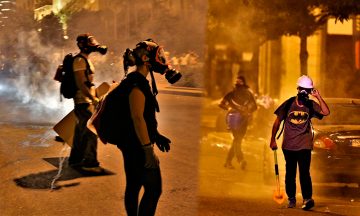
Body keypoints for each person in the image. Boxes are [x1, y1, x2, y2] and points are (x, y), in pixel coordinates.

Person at [103, 39, 179, 216]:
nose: (162, 60)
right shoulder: (137, 84)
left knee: (134, 185)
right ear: (146, 59)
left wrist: (156, 134)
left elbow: (142, 116)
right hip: (136, 145)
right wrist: (147, 150)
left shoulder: (136, 81)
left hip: (131, 143)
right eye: (158, 56)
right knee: (153, 189)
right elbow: (137, 118)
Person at [270, 75, 330, 210]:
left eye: (307, 90)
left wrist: (318, 96)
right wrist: (273, 139)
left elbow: (325, 112)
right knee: (290, 172)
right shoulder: (288, 103)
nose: (304, 92)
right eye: (302, 89)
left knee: (304, 171)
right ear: (297, 89)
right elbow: (277, 121)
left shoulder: (311, 104)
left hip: (304, 144)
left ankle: (307, 199)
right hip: (289, 145)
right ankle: (291, 198)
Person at [68, 33, 107, 173]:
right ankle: (90, 163)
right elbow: (80, 83)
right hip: (82, 101)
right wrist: (92, 98)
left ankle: (75, 159)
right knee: (92, 130)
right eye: (89, 42)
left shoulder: (85, 59)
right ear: (82, 45)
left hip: (85, 100)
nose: (93, 44)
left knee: (80, 131)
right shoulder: (79, 61)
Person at [218, 76, 257, 170]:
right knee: (237, 138)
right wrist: (228, 108)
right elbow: (220, 103)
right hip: (233, 119)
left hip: (244, 120)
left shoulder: (248, 94)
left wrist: (247, 111)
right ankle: (241, 160)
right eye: (236, 82)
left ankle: (227, 161)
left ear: (244, 84)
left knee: (237, 140)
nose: (237, 83)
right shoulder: (231, 93)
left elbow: (254, 106)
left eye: (239, 82)